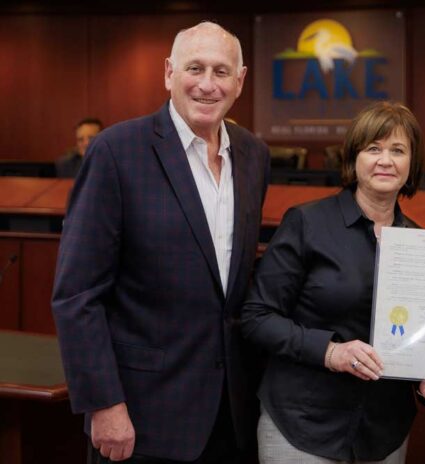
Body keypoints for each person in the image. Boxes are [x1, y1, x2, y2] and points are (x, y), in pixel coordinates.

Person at [52, 21, 270, 463]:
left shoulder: (253, 155)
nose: (207, 84)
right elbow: (78, 294)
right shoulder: (116, 151)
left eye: (221, 71)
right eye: (195, 68)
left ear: (240, 80)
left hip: (231, 416)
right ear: (169, 73)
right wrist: (104, 404)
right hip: (141, 416)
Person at [241, 101, 425, 464]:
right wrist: (331, 352)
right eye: (373, 148)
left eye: (398, 150)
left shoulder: (422, 246)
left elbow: (417, 340)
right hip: (303, 426)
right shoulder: (307, 223)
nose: (385, 160)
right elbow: (257, 318)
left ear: (412, 164)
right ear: (353, 158)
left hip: (382, 434)